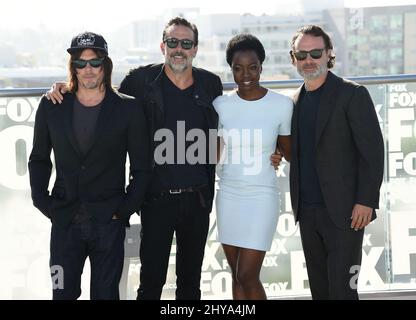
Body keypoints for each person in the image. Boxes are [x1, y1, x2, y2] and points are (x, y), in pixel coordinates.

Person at [46, 17, 222, 300]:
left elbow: (222, 130)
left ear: (195, 48)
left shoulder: (211, 84)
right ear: (162, 46)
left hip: (197, 200)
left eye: (186, 43)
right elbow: (101, 94)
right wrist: (64, 88)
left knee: (190, 285)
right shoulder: (140, 81)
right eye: (173, 42)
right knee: (150, 283)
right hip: (155, 199)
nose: (179, 49)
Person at [28, 31, 150, 299]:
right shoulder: (52, 105)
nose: (88, 70)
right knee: (61, 294)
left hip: (109, 222)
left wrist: (125, 210)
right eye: (81, 63)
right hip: (63, 221)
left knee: (106, 296)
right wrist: (42, 201)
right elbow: (39, 159)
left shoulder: (128, 109)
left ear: (105, 65)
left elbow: (142, 167)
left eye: (95, 62)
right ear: (73, 67)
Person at [272, 25, 384, 299]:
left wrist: (366, 201)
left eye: (315, 53)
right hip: (307, 213)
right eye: (302, 54)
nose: (308, 60)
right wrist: (277, 152)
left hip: (345, 214)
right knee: (320, 293)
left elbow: (373, 152)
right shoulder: (293, 102)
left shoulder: (352, 94)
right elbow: (299, 151)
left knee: (344, 293)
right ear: (293, 58)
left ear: (328, 54)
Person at [214, 34, 292, 300]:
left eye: (253, 67)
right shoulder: (221, 105)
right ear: (231, 69)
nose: (246, 74)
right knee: (236, 275)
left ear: (262, 66)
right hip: (228, 195)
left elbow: (291, 151)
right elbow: (212, 152)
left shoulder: (281, 105)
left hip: (262, 196)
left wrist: (279, 151)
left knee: (248, 274)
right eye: (238, 68)